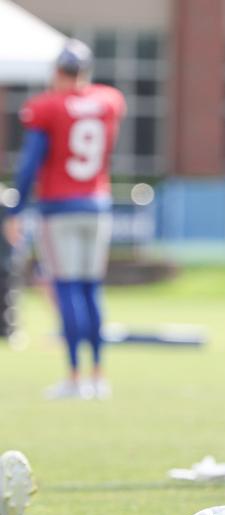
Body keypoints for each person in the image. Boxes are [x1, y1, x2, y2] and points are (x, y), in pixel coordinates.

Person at [1, 39, 125, 400]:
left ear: (57, 72)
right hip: (97, 203)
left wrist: (16, 208)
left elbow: (29, 163)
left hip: (59, 207)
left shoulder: (47, 106)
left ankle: (74, 376)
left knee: (67, 287)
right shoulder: (108, 101)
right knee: (91, 288)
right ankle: (99, 375)